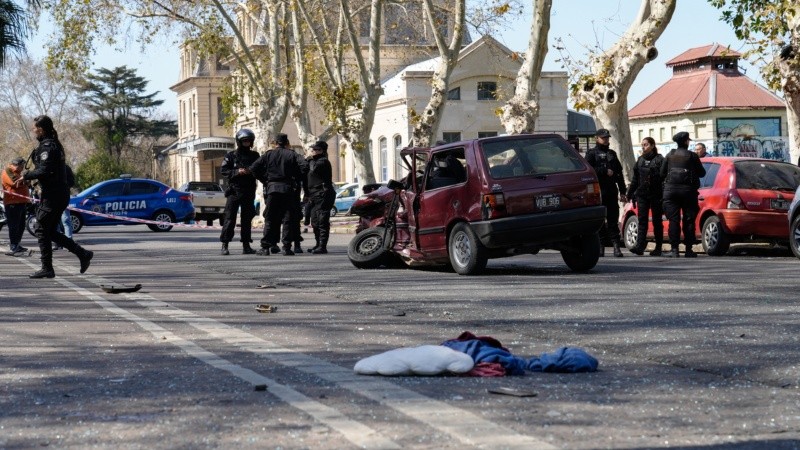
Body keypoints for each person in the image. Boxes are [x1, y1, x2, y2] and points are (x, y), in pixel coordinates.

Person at [22, 115, 93, 278]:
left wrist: (27, 176)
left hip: (54, 195)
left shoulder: (48, 147)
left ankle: (47, 267)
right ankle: (82, 254)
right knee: (50, 231)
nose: (33, 132)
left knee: (41, 227)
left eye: (34, 129)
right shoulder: (49, 145)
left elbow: (45, 170)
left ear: (40, 129)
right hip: (55, 194)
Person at [249, 133, 307, 256]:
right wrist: (296, 178)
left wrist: (265, 179)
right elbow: (305, 166)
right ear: (287, 143)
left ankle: (265, 247)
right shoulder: (292, 154)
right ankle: (286, 247)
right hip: (288, 189)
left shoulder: (269, 154)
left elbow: (254, 168)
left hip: (272, 189)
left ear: (275, 143)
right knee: (287, 219)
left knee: (270, 218)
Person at [660, 131, 706, 258]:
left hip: (671, 192)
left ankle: (674, 249)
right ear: (686, 142)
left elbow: (662, 173)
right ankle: (689, 250)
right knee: (688, 220)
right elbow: (702, 173)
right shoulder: (692, 156)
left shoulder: (670, 155)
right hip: (688, 192)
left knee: (673, 220)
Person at [585, 128, 627, 257]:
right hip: (598, 191)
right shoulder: (591, 154)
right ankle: (601, 246)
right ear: (597, 138)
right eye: (603, 138)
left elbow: (619, 174)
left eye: (607, 138)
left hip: (611, 190)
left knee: (613, 219)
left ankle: (616, 246)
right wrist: (604, 170)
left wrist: (623, 191)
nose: (606, 140)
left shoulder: (612, 154)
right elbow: (588, 170)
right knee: (600, 220)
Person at [219, 128, 260, 255]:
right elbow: (224, 171)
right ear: (239, 141)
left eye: (249, 141)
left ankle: (246, 245)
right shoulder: (231, 156)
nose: (246, 143)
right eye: (244, 141)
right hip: (234, 192)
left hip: (248, 191)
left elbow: (260, 170)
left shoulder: (255, 156)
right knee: (229, 218)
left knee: (247, 219)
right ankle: (225, 244)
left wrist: (250, 171)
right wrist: (237, 172)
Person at [625, 137, 665, 256]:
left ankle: (658, 247)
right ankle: (640, 246)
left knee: (657, 221)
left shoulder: (659, 159)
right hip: (642, 194)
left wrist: (664, 194)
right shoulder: (640, 160)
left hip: (656, 194)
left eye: (646, 145)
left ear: (652, 145)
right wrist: (629, 193)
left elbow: (664, 178)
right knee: (642, 220)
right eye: (642, 145)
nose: (643, 147)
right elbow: (635, 179)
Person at [305, 140, 336, 254]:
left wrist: (310, 160)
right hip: (314, 195)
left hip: (323, 194)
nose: (313, 151)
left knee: (322, 220)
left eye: (316, 150)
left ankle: (322, 246)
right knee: (315, 221)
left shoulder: (323, 161)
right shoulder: (314, 161)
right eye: (313, 149)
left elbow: (314, 169)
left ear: (322, 151)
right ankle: (318, 244)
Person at [2, 157, 30, 256]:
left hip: (22, 202)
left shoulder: (18, 173)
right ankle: (13, 245)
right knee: (14, 225)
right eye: (22, 166)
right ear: (17, 165)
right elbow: (15, 183)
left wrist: (24, 180)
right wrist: (25, 180)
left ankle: (17, 244)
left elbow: (24, 183)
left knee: (21, 225)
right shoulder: (8, 171)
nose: (23, 168)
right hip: (12, 203)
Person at [54, 164, 75, 250]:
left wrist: (64, 186)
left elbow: (72, 181)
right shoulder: (50, 167)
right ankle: (58, 243)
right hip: (53, 198)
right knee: (55, 222)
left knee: (65, 220)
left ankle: (68, 243)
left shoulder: (66, 168)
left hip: (63, 197)